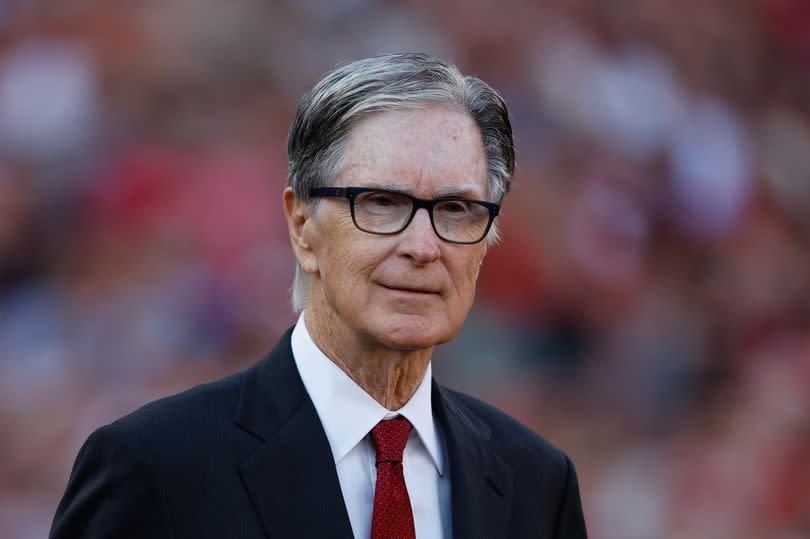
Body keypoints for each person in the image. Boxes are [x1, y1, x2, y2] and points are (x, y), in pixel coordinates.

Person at [50, 53, 587, 539]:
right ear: (303, 226)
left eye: (455, 210)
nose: (424, 247)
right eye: (381, 202)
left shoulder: (537, 482)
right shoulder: (154, 465)